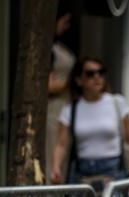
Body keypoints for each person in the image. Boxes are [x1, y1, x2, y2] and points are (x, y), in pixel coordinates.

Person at [50, 56, 129, 187]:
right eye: (90, 74)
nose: (97, 77)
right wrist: (56, 167)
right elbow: (61, 144)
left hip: (113, 172)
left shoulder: (117, 103)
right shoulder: (71, 109)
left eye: (101, 72)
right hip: (82, 174)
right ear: (79, 80)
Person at [45, 7, 75, 170]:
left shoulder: (60, 47)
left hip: (65, 108)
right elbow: (48, 86)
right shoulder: (48, 50)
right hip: (53, 110)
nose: (66, 26)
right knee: (52, 160)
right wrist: (69, 83)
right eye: (64, 21)